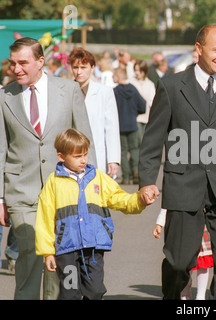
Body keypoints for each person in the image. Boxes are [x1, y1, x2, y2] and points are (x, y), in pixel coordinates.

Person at [138, 24, 216, 300]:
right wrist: (147, 180)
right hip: (183, 184)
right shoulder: (171, 86)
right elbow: (153, 138)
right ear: (199, 49)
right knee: (178, 261)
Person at [0, 37, 96, 300]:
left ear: (41, 61)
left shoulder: (69, 89)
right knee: (31, 250)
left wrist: (93, 187)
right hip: (22, 192)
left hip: (63, 190)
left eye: (23, 63)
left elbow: (84, 139)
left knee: (57, 257)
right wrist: (0, 199)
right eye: (12, 64)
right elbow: (1, 149)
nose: (16, 69)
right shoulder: (4, 96)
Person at [35, 128, 148, 300]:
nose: (83, 160)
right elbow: (44, 217)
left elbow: (118, 198)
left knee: (95, 291)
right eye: (77, 156)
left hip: (93, 248)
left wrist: (139, 200)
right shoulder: (53, 182)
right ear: (61, 157)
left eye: (85, 154)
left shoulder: (98, 178)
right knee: (70, 293)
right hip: (66, 249)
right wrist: (47, 252)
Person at [68, 48, 121, 178]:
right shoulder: (65, 91)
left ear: (92, 68)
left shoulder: (105, 92)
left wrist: (113, 159)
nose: (79, 71)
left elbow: (111, 127)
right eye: (75, 67)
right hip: (70, 155)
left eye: (83, 67)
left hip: (96, 154)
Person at [153, 208, 213, 300]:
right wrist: (160, 223)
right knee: (185, 263)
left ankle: (200, 296)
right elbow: (168, 202)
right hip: (184, 225)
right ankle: (185, 293)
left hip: (202, 220)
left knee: (203, 262)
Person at [113, 67, 146, 185]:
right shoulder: (133, 89)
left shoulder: (115, 91)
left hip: (120, 126)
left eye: (113, 75)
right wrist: (134, 113)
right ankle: (136, 172)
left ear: (117, 76)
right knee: (134, 149)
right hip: (132, 124)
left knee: (123, 151)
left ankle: (126, 177)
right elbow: (142, 105)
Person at [129, 59, 156, 142]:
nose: (137, 73)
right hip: (134, 118)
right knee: (138, 141)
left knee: (145, 141)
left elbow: (152, 101)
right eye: (136, 70)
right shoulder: (130, 82)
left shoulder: (150, 84)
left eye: (139, 70)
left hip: (146, 117)